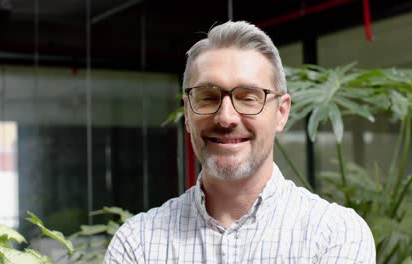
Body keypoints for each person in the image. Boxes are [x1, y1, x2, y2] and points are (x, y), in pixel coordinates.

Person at [104, 21, 376, 263]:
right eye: (208, 96)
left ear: (281, 113)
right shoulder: (138, 242)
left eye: (248, 97)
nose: (226, 117)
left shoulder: (334, 234)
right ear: (187, 113)